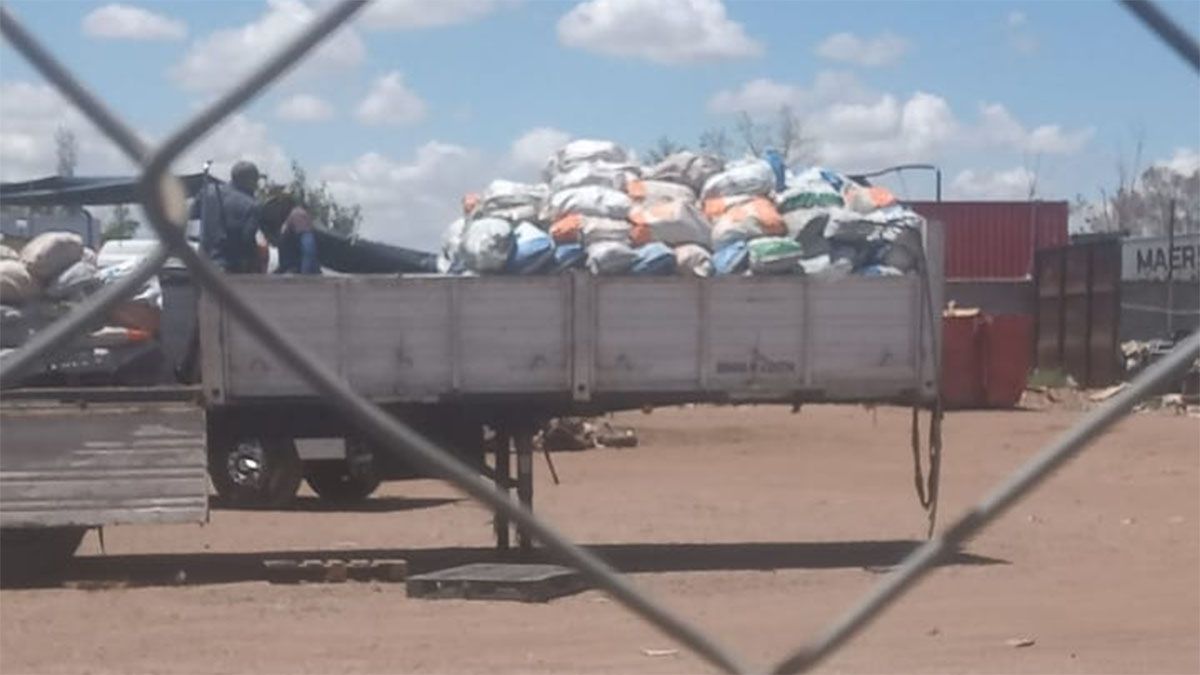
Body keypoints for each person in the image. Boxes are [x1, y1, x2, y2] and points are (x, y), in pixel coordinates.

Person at [189, 160, 265, 274]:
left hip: (203, 264)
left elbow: (192, 214)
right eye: (256, 180)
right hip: (231, 268)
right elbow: (247, 240)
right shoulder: (252, 205)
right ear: (250, 180)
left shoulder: (208, 191)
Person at [260, 192, 320, 275]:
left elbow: (309, 249)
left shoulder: (297, 215)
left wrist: (304, 278)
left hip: (302, 279)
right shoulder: (286, 223)